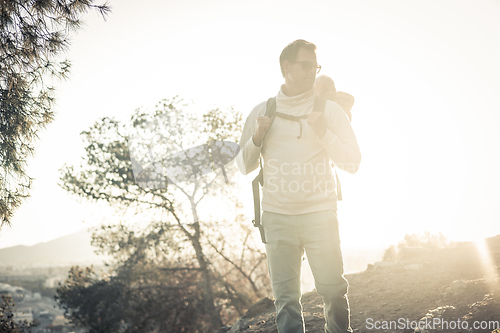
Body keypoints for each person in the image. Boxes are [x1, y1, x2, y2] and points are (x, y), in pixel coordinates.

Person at [236, 39, 361, 333]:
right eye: (306, 65)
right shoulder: (261, 111)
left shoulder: (330, 111)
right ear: (286, 67)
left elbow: (353, 162)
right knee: (286, 302)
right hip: (277, 218)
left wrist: (324, 134)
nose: (311, 72)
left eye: (315, 67)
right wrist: (257, 137)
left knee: (333, 292)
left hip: (320, 214)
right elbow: (243, 166)